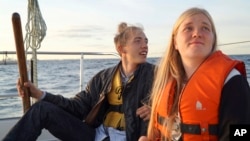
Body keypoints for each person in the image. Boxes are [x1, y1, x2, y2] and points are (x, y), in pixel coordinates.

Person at [3, 22, 155, 141]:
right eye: (138, 41)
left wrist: (157, 111)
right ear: (121, 48)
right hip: (97, 136)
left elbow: (174, 105)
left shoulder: (156, 75)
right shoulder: (103, 78)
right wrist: (40, 94)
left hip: (134, 136)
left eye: (146, 41)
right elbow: (77, 107)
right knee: (41, 109)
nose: (145, 45)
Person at [141, 7, 250, 141]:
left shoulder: (233, 81)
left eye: (205, 28)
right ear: (175, 42)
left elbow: (241, 134)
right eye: (188, 28)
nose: (197, 33)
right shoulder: (163, 82)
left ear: (213, 40)